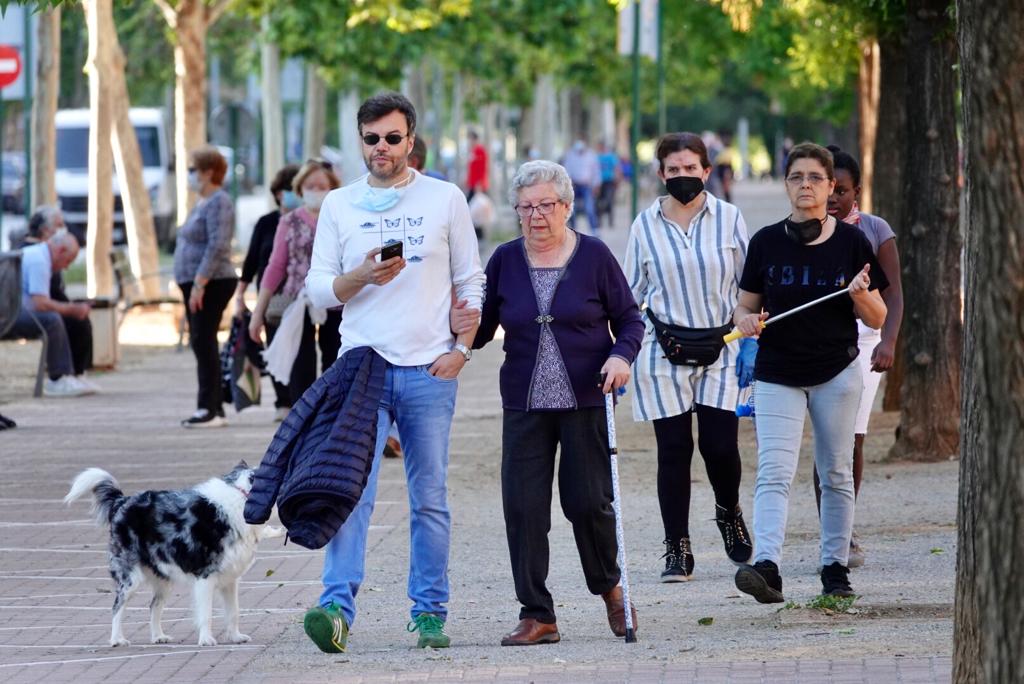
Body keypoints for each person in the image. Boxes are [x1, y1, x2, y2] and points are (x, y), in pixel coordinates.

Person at [301, 92, 484, 652]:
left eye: (392, 138)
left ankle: (430, 612)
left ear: (410, 140)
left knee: (429, 496)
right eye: (372, 139)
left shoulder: (445, 198)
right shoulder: (338, 204)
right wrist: (360, 278)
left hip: (429, 369)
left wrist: (462, 349)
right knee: (350, 490)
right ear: (361, 142)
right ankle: (336, 609)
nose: (382, 148)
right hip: (361, 368)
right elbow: (316, 290)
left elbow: (471, 281)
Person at [471, 160, 644, 646]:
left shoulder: (594, 257)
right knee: (523, 507)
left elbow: (630, 320)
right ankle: (537, 614)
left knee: (588, 502)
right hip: (524, 402)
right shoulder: (504, 259)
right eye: (525, 207)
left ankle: (611, 589)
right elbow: (482, 329)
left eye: (546, 205)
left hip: (587, 397)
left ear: (567, 207)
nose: (536, 215)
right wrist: (454, 321)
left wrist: (620, 356)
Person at [731, 142, 887, 603]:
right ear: (786, 184)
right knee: (773, 472)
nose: (806, 185)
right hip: (778, 372)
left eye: (815, 178)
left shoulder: (853, 241)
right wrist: (743, 319)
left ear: (831, 186)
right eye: (796, 177)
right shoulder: (765, 242)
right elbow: (746, 305)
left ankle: (834, 569)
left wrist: (858, 293)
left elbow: (877, 317)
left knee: (835, 472)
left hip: (837, 372)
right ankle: (767, 566)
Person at [624, 132, 755, 583]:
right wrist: (617, 350)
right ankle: (676, 547)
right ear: (661, 174)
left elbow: (749, 285)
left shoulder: (730, 218)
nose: (682, 176)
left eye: (690, 168)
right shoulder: (644, 225)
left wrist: (751, 325)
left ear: (706, 169)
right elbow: (630, 294)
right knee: (674, 450)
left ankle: (728, 511)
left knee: (720, 447)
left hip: (722, 344)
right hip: (662, 349)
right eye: (672, 170)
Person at [813, 145, 904, 567]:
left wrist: (888, 342)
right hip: (822, 342)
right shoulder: (804, 231)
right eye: (827, 187)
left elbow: (894, 295)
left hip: (866, 343)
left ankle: (844, 528)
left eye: (841, 190)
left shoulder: (874, 230)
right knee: (827, 440)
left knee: (852, 439)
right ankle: (832, 529)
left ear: (856, 190)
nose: (833, 198)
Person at [249, 159, 342, 405]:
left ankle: (331, 418)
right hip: (296, 301)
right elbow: (275, 267)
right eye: (310, 186)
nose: (316, 191)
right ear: (300, 189)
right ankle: (303, 422)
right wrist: (258, 312)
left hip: (337, 299)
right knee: (301, 367)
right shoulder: (288, 222)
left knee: (336, 364)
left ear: (333, 188)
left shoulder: (342, 219)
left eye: (322, 186)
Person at [173, 146, 237, 428]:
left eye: (192, 170)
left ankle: (208, 408)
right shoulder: (201, 202)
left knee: (203, 339)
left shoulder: (219, 201)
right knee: (201, 340)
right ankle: (212, 405)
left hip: (212, 282)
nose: (189, 176)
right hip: (195, 282)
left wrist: (200, 283)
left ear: (209, 172)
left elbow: (218, 244)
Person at [234, 164, 300, 421]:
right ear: (278, 193)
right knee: (274, 347)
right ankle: (282, 401)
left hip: (302, 297)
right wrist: (240, 295)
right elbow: (252, 262)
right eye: (286, 190)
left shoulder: (311, 221)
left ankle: (298, 400)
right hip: (271, 298)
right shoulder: (266, 223)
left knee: (299, 351)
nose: (290, 194)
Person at [6, 231, 96, 397]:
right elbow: (40, 303)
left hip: (13, 312)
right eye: (68, 261)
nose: (67, 266)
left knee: (64, 318)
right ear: (60, 250)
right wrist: (72, 309)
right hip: (11, 316)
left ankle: (75, 373)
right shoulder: (40, 261)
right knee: (52, 320)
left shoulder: (39, 254)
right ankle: (59, 378)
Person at [561, 139, 601, 233]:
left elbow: (596, 171)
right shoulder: (570, 155)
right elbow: (566, 170)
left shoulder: (591, 156)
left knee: (589, 208)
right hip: (574, 185)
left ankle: (594, 230)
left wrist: (596, 184)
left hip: (586, 186)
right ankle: (572, 230)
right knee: (571, 209)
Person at [596, 141, 620, 229]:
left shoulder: (610, 156)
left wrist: (617, 179)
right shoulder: (597, 157)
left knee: (609, 201)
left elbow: (616, 168)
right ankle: (599, 220)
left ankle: (610, 220)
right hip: (599, 182)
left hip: (609, 181)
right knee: (598, 202)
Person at [465, 130, 488, 202]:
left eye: (471, 139)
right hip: (473, 183)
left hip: (478, 184)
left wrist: (479, 183)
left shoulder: (480, 150)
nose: (470, 142)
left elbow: (482, 168)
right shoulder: (473, 151)